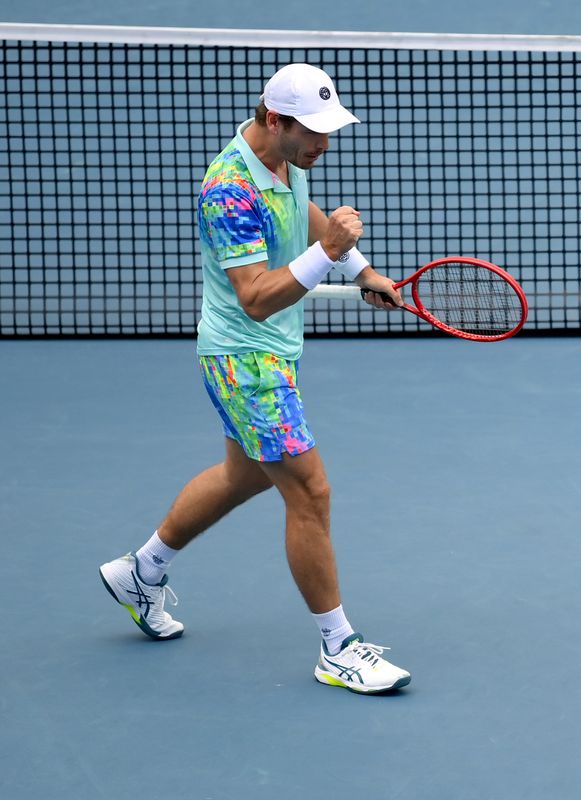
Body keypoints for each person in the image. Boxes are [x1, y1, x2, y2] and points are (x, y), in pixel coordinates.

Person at [100, 63, 412, 694]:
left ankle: (142, 571)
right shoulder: (229, 191)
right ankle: (338, 647)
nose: (325, 143)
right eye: (315, 131)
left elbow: (307, 214)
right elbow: (257, 298)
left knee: (243, 475)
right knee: (310, 492)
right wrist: (327, 256)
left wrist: (359, 270)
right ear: (276, 120)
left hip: (270, 353)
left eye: (330, 128)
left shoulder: (285, 161)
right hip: (247, 360)